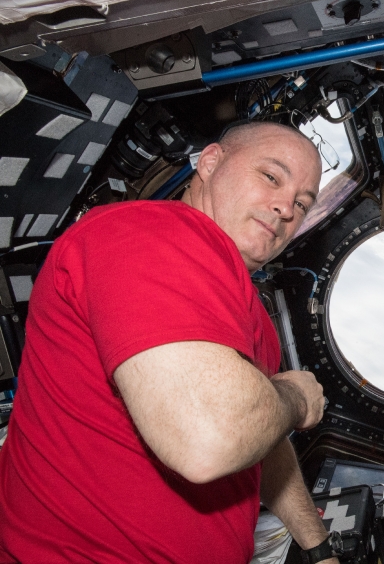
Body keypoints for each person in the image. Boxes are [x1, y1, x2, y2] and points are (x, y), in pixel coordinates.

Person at [0, 121, 340, 563]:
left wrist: (318, 548)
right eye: (271, 177)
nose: (285, 208)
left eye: (302, 202)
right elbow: (211, 438)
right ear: (211, 162)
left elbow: (263, 436)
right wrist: (295, 396)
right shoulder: (148, 232)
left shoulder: (251, 315)